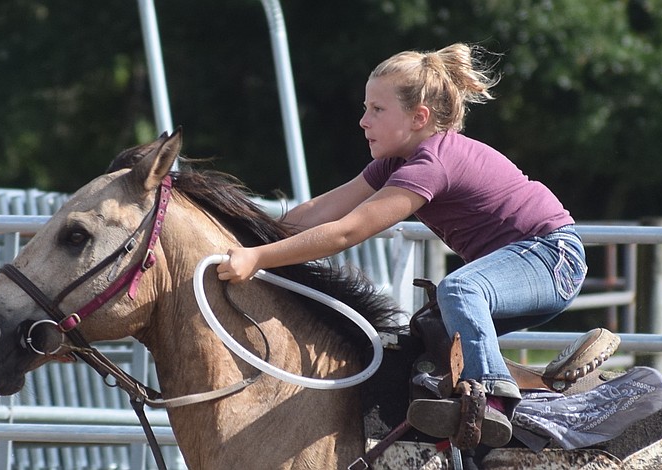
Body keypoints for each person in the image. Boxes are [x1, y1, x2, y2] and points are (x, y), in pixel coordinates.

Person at [216, 43, 588, 447]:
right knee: (427, 332)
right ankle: (534, 389)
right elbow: (321, 210)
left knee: (459, 289)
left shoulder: (433, 162)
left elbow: (346, 232)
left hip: (551, 258)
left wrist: (258, 258)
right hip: (531, 261)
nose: (362, 121)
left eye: (376, 109)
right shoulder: (397, 161)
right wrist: (240, 238)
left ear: (419, 117)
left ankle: (491, 402)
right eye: (365, 108)